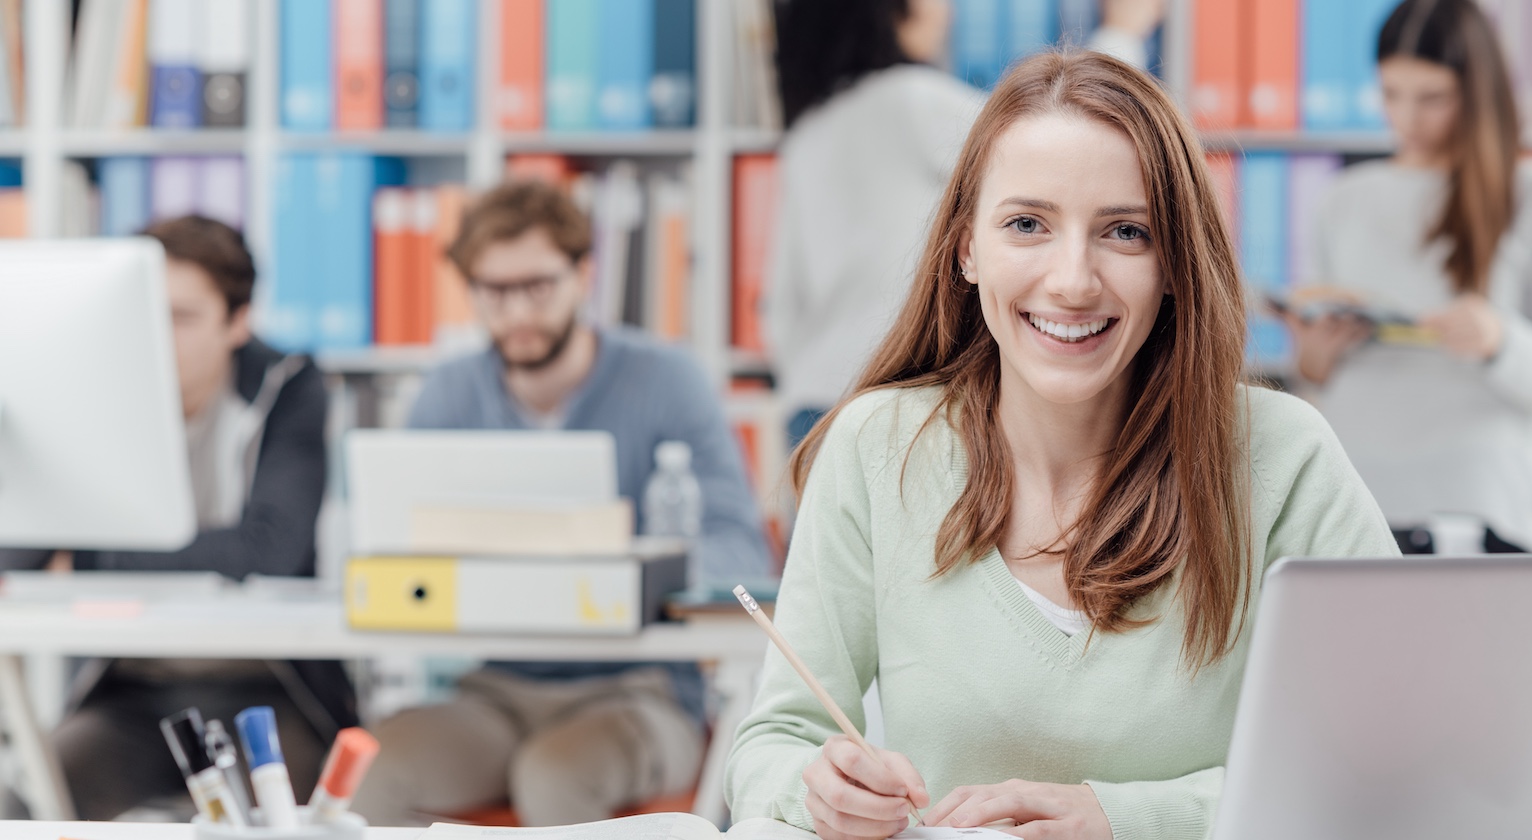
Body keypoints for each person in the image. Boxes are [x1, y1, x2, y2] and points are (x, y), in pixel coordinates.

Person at [725, 50, 1397, 840]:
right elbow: (774, 744)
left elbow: (1392, 758)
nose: (1073, 281)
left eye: (1126, 232)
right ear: (966, 249)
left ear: (1175, 264)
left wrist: (1127, 818)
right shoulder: (877, 447)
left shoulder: (1284, 458)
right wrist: (818, 792)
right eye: (1027, 225)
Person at [351, 179, 771, 827]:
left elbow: (740, 550)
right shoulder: (447, 396)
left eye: (539, 286)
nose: (518, 311)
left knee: (553, 774)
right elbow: (405, 546)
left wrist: (633, 563)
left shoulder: (668, 381)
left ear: (584, 275)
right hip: (498, 690)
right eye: (494, 291)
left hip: (641, 689)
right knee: (377, 766)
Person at [0, 215, 353, 819]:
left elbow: (271, 548)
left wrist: (87, 557)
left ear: (237, 322)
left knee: (249, 818)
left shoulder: (288, 387)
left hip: (267, 693)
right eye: (142, 315)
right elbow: (22, 553)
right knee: (26, 801)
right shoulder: (93, 389)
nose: (156, 337)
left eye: (182, 318)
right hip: (134, 694)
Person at [767, 0, 1167, 448]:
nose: (949, 12)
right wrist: (1122, 34)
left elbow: (782, 308)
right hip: (891, 399)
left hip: (809, 407)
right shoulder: (910, 100)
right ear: (892, 11)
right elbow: (1057, 138)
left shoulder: (808, 131)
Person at [1289, 0, 1532, 553]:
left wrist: (1500, 341)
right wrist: (1315, 356)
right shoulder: (1343, 199)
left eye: (1432, 98)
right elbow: (1316, 375)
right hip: (1355, 505)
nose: (1407, 118)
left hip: (1481, 509)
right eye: (1391, 94)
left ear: (1479, 94)